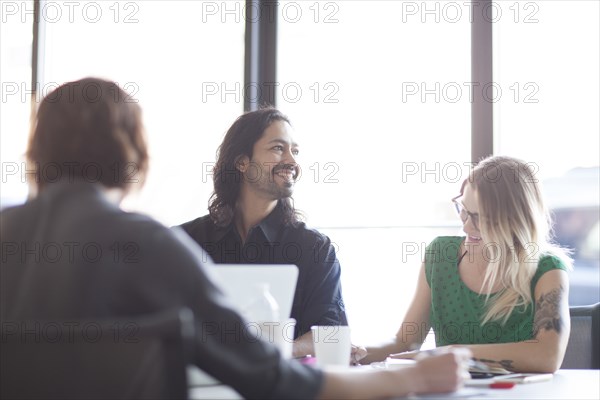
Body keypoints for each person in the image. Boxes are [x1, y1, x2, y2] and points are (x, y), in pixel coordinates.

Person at [0, 77, 471, 399]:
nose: (291, 159)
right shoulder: (148, 244)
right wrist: (411, 376)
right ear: (132, 154)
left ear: (39, 152)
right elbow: (269, 377)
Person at [359, 156, 572, 373]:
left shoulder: (547, 269)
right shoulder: (441, 255)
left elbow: (547, 356)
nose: (467, 226)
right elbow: (404, 343)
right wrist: (359, 352)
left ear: (515, 219)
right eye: (464, 210)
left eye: (481, 218)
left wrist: (454, 353)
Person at [178, 108, 348, 357]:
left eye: (295, 151)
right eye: (278, 148)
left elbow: (330, 333)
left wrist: (271, 354)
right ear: (242, 162)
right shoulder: (188, 241)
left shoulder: (315, 248)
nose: (291, 161)